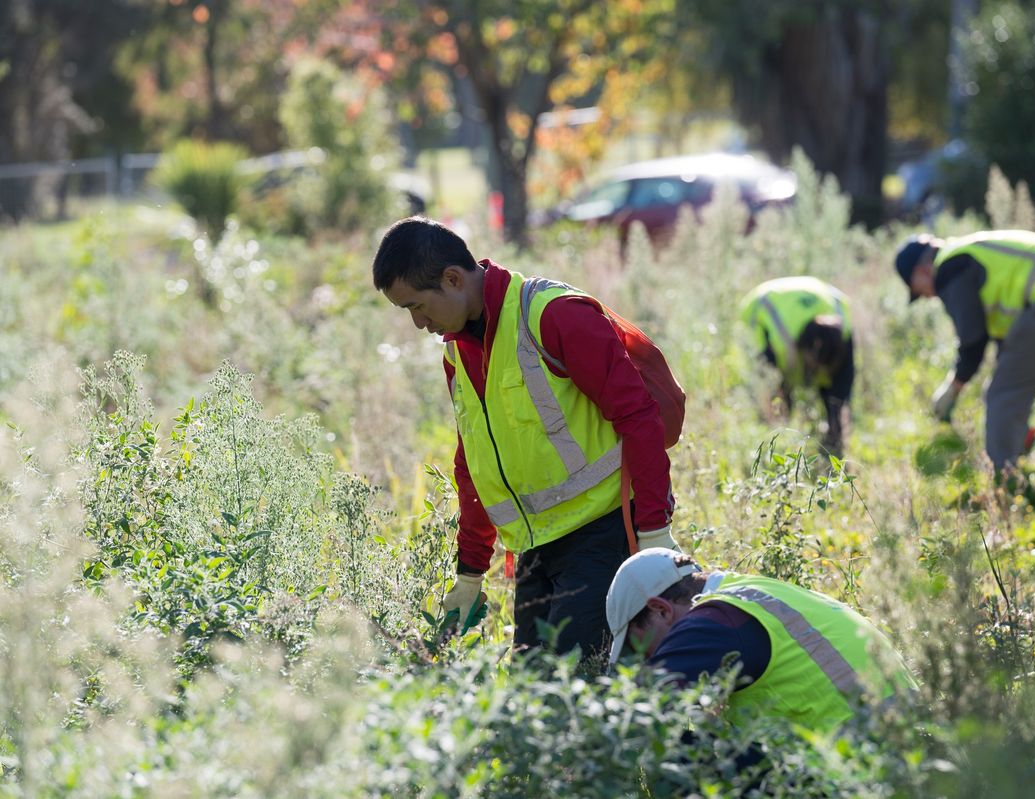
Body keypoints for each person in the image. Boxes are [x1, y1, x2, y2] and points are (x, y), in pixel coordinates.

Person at [372, 216, 677, 661]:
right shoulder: (456, 351)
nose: (419, 323)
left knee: (575, 688)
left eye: (417, 306)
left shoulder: (554, 314)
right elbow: (472, 461)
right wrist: (471, 572)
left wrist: (653, 532)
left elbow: (639, 419)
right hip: (536, 549)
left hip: (607, 532)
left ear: (453, 279)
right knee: (535, 695)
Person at [606, 548, 915, 732]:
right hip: (913, 742)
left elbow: (643, 714)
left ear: (660, 610)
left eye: (638, 648)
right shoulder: (750, 592)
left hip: (863, 761)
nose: (646, 659)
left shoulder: (709, 620)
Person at [895, 229, 1035, 472]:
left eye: (918, 290)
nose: (927, 296)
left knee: (1003, 395)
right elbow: (1010, 342)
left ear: (921, 271)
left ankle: (1005, 484)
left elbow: (973, 339)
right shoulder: (972, 250)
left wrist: (953, 388)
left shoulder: (949, 267)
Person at [738, 277, 854, 457]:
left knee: (835, 400)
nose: (820, 372)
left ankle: (831, 444)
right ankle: (773, 443)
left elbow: (842, 387)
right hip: (762, 302)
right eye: (818, 365)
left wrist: (835, 428)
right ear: (805, 349)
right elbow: (771, 381)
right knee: (778, 392)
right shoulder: (780, 341)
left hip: (820, 293)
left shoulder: (843, 333)